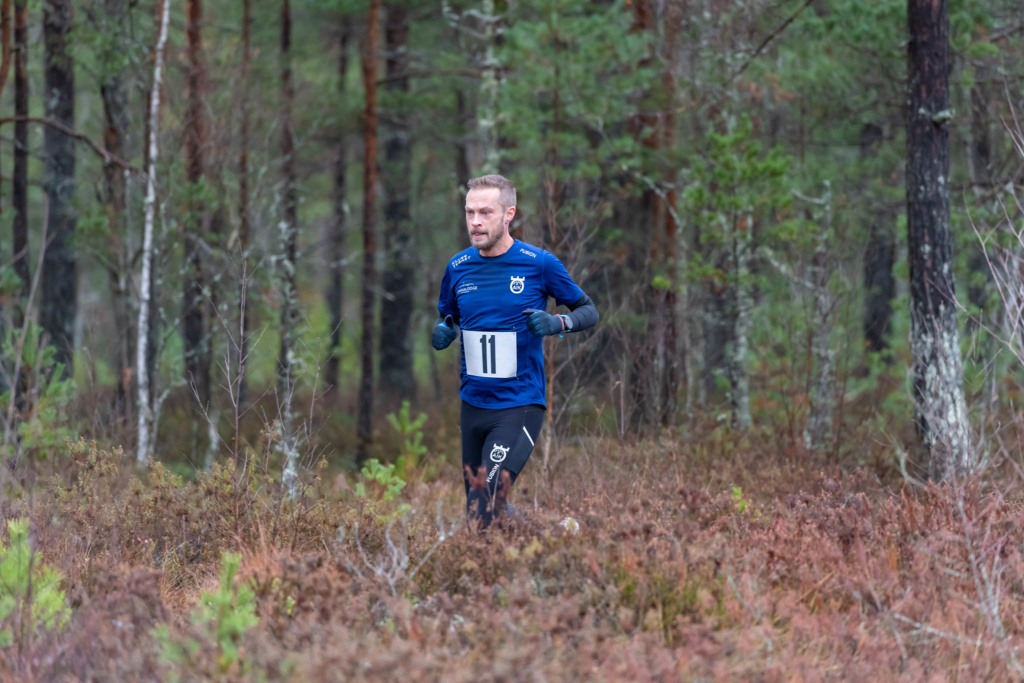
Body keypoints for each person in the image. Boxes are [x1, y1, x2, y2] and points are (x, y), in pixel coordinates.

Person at [431, 174, 599, 529]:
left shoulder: (538, 264)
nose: (475, 222)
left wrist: (559, 323)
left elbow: (588, 310)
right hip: (472, 406)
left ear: (509, 214)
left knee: (488, 501)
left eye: (485, 213)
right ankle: (553, 534)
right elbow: (449, 317)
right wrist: (443, 331)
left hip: (518, 406)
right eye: (469, 212)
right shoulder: (458, 267)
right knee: (480, 515)